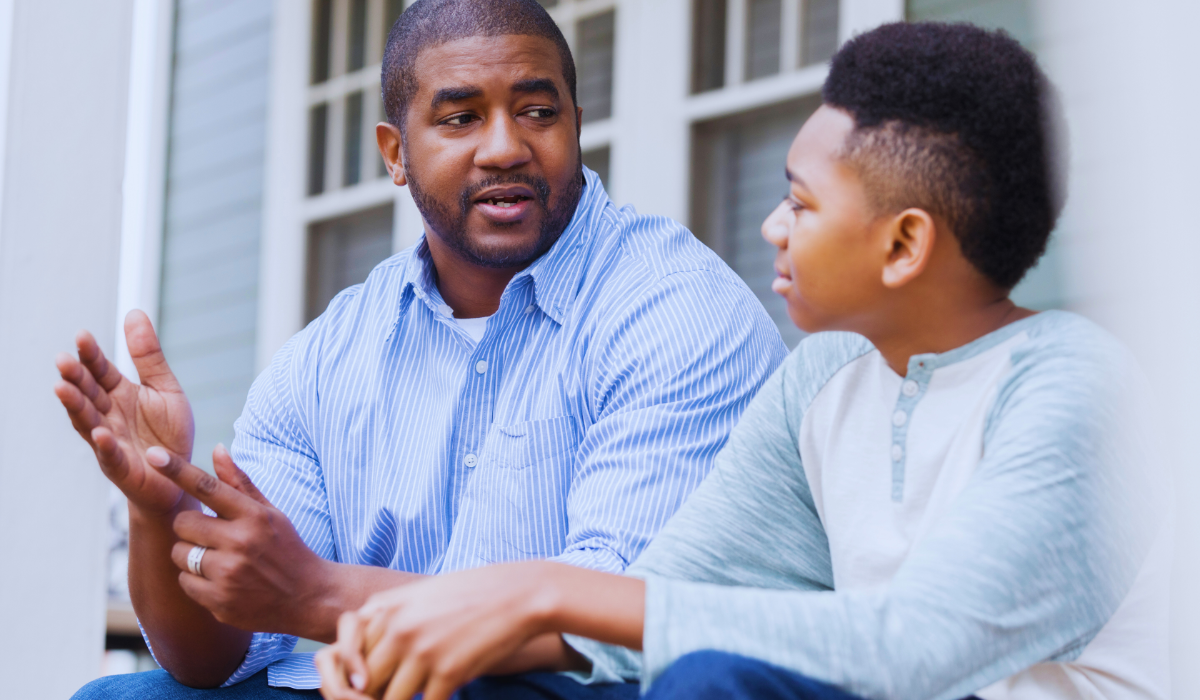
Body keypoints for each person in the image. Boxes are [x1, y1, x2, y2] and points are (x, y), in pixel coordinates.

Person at [316, 21, 1170, 700]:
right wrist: (422, 639)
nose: (773, 226)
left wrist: (543, 588)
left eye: (801, 202)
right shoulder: (826, 376)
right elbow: (646, 618)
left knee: (711, 683)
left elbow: (911, 647)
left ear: (905, 244)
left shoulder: (1074, 388)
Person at [59, 0, 785, 697]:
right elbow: (216, 658)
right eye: (461, 117)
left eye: (539, 112)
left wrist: (318, 596)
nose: (505, 147)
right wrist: (159, 508)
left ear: (577, 124)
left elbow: (617, 624)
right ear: (395, 153)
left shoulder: (673, 307)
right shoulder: (331, 357)